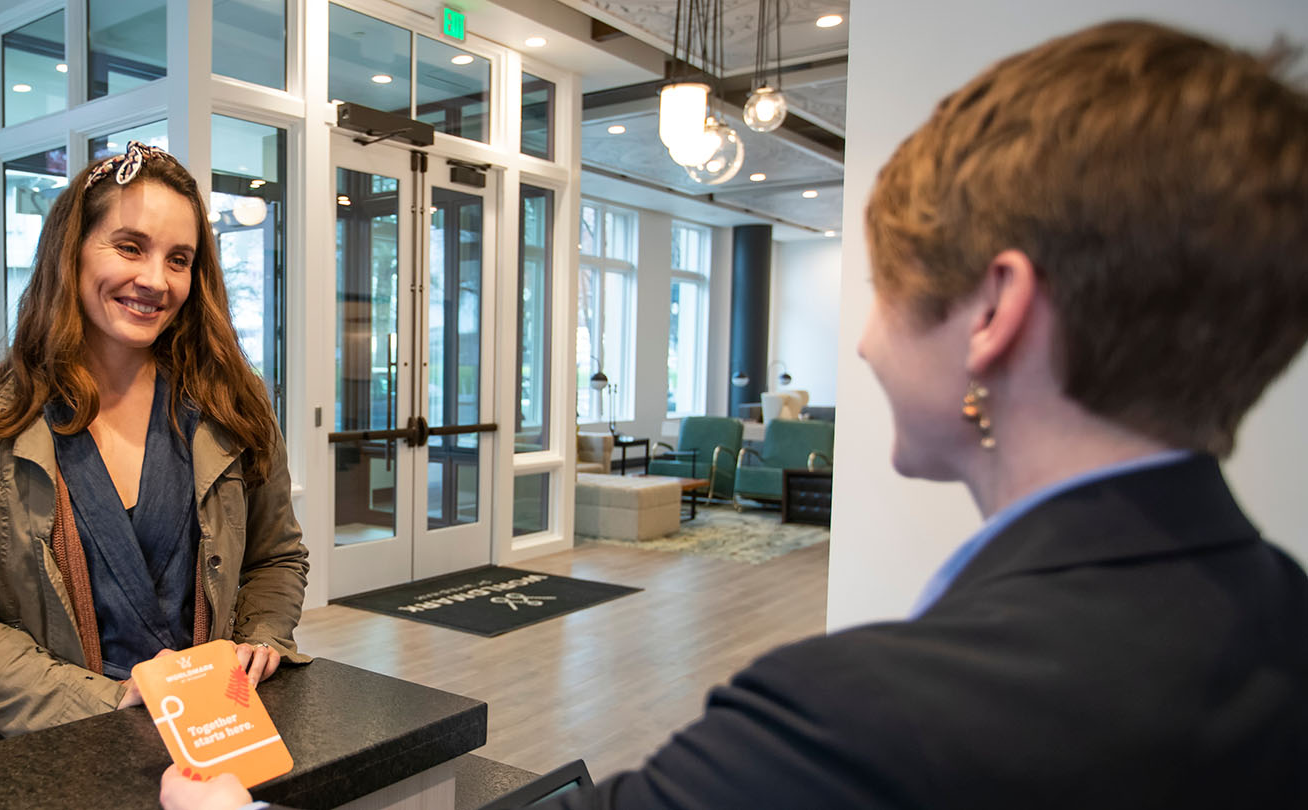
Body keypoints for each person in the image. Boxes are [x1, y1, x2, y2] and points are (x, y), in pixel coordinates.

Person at [161, 19, 1308, 810]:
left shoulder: (867, 721)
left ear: (994, 313)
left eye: (891, 284)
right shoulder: (1277, 623)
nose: (861, 336)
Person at [0, 141, 310, 749]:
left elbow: (275, 558)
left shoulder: (234, 405)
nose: (155, 280)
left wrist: (262, 635)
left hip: (209, 735)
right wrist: (112, 701)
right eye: (130, 247)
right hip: (42, 751)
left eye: (180, 259)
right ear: (72, 252)